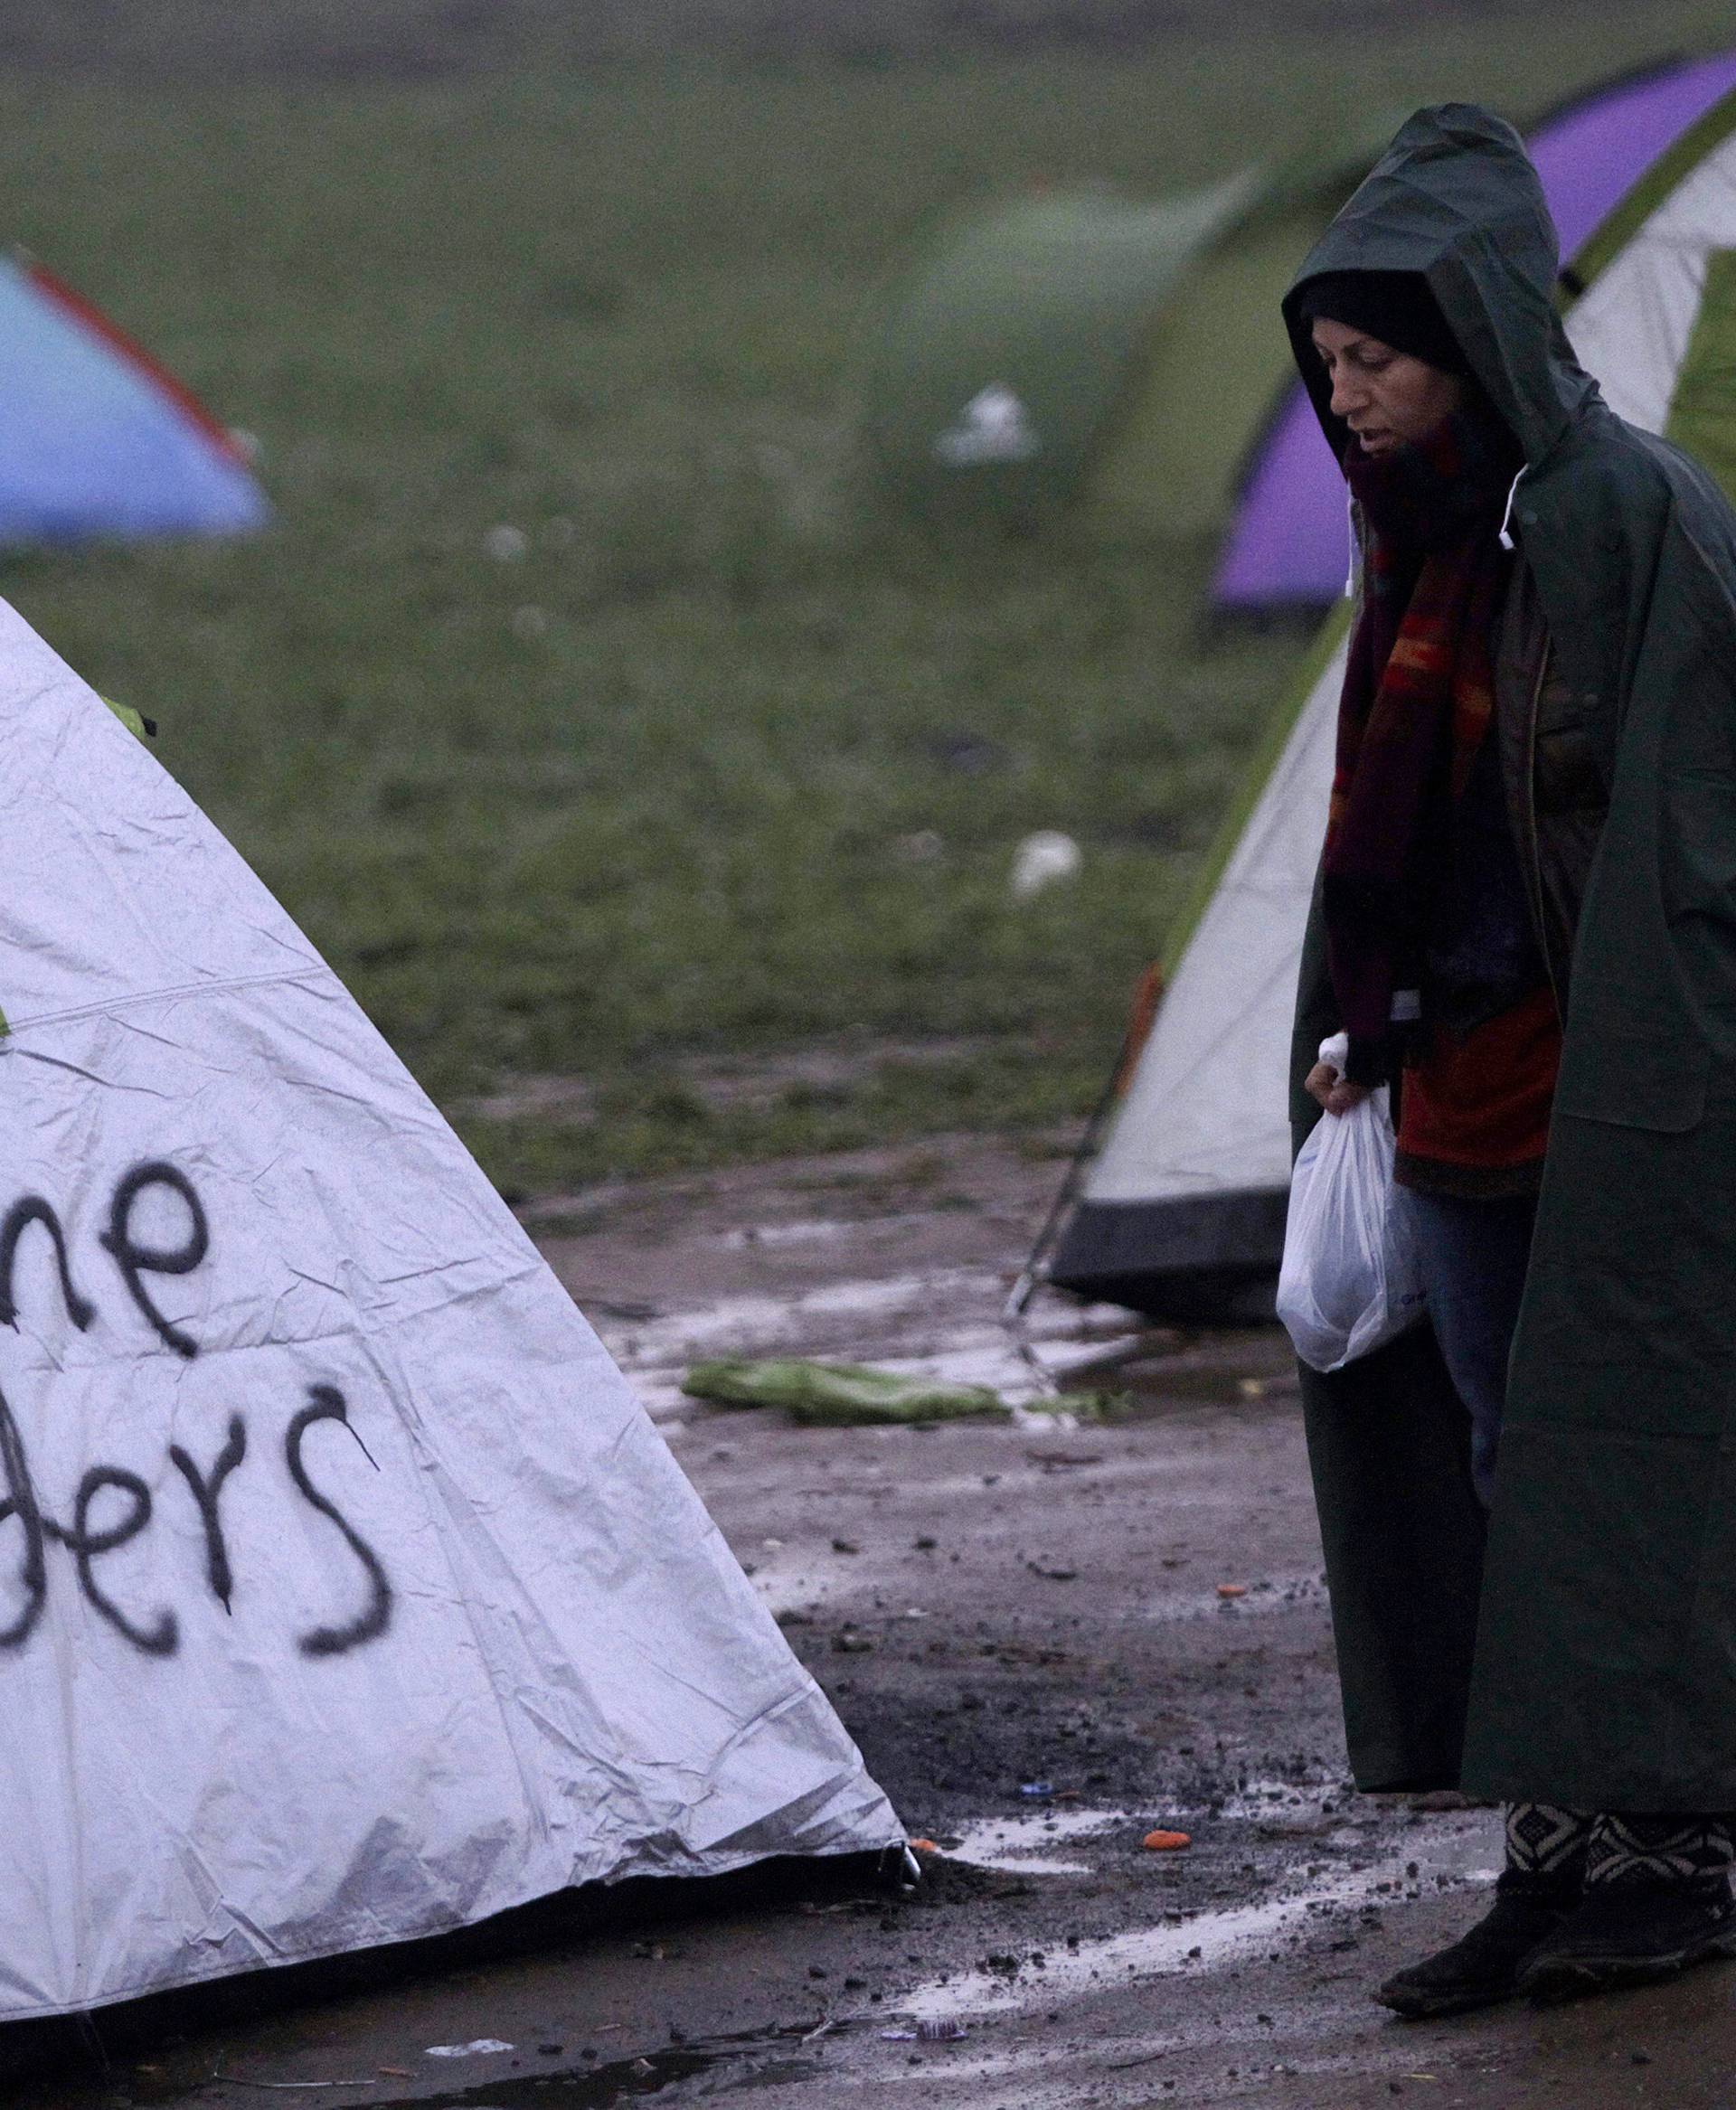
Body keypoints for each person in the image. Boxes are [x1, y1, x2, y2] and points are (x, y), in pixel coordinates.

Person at [1284, 103, 1736, 2015]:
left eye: (1377, 358)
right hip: (1457, 1092)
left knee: (1629, 1457)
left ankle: (1675, 1854)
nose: (1350, 398)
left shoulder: (1631, 518)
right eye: (1328, 369)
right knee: (1496, 1458)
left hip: (1616, 1092)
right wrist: (1355, 1023)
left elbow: (1686, 836)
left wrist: (1665, 1080)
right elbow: (1403, 823)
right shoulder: (1423, 542)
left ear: (1469, 337)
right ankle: (1561, 1848)